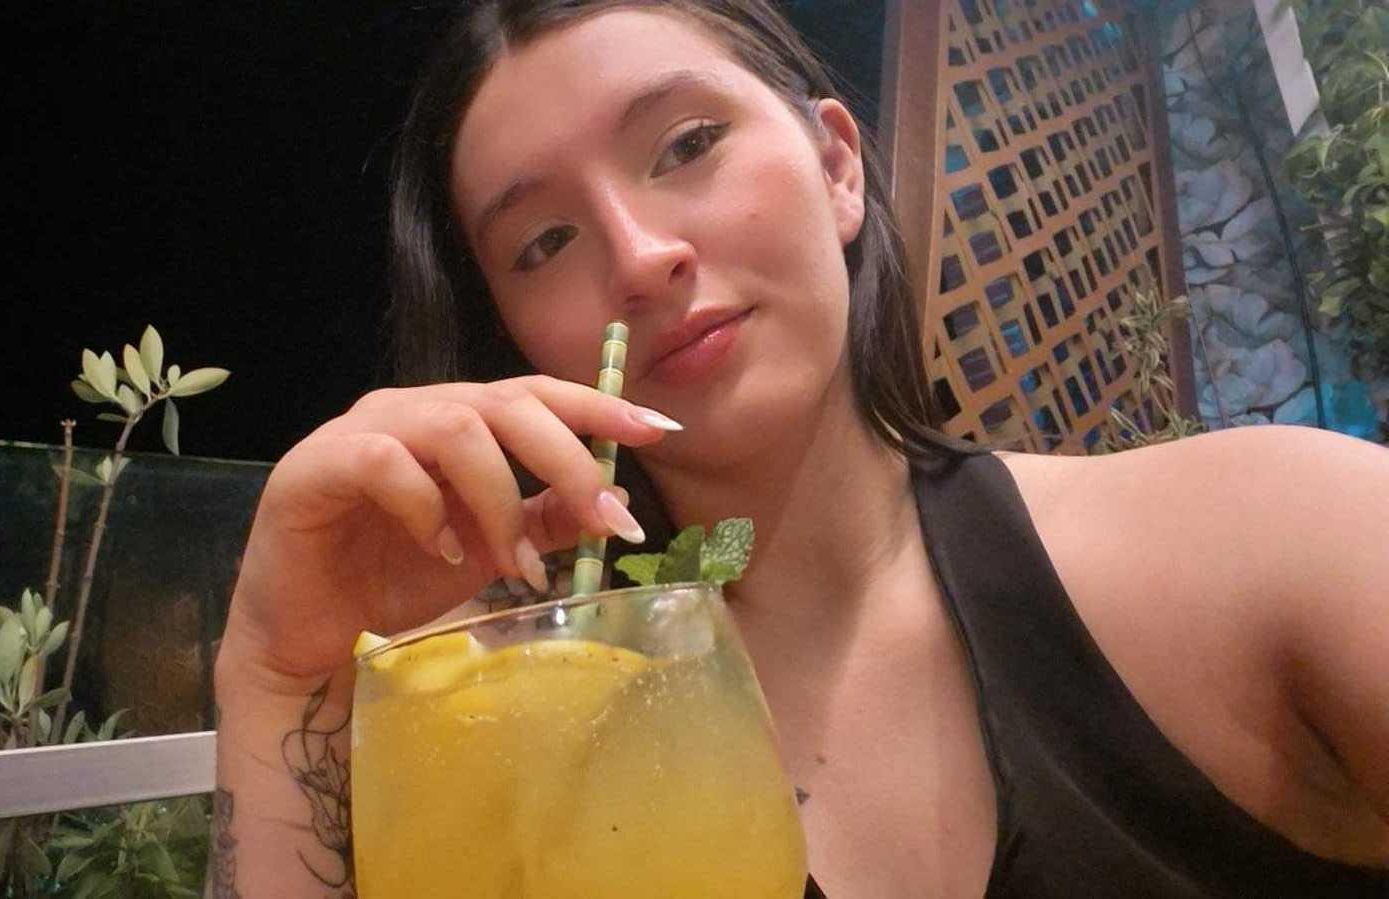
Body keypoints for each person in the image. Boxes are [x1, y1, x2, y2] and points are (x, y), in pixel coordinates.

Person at [208, 1, 1389, 895]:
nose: (639, 257)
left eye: (687, 144)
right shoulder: (500, 727)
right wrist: (277, 675)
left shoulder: (1271, 535)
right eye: (545, 241)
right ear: (515, 332)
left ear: (837, 166)